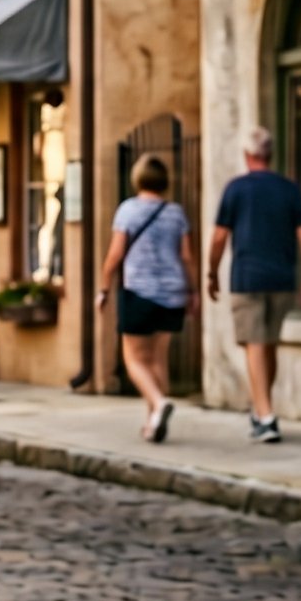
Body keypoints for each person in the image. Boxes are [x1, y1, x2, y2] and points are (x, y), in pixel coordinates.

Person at [204, 126, 301, 444]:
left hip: (248, 277)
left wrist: (211, 272)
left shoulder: (236, 189)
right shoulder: (288, 189)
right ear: (270, 154)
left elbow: (219, 236)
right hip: (282, 278)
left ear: (247, 155)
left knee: (255, 343)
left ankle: (266, 417)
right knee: (268, 344)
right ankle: (261, 408)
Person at [98, 154, 198, 444]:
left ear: (137, 179)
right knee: (158, 358)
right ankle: (152, 421)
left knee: (134, 358)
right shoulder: (176, 213)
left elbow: (115, 255)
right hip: (172, 293)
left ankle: (158, 402)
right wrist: (192, 291)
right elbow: (187, 256)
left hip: (139, 291)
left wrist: (104, 288)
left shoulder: (128, 210)